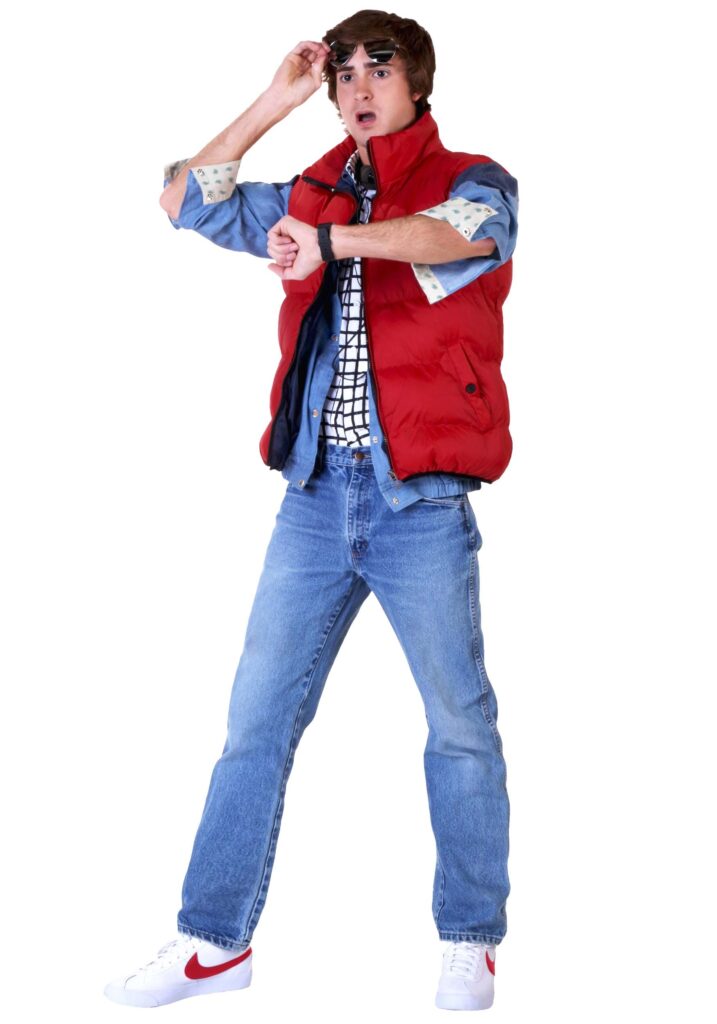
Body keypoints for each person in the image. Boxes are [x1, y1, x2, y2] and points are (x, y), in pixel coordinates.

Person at [105, 9, 518, 1012]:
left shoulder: (474, 180)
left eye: (379, 67)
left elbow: (451, 239)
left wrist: (329, 242)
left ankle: (470, 938)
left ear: (417, 83)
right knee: (253, 723)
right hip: (313, 499)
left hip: (420, 503)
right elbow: (182, 200)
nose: (359, 85)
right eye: (343, 74)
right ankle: (214, 943)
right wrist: (273, 101)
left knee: (459, 725)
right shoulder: (314, 185)